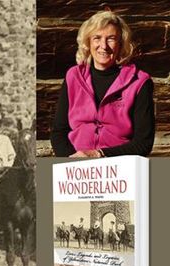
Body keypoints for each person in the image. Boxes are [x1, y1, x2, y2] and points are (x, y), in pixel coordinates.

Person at [50, 10, 155, 157]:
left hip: (119, 165)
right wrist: (72, 160)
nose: (103, 46)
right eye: (97, 38)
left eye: (111, 38)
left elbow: (143, 143)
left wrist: (99, 154)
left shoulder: (139, 82)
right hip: (75, 166)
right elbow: (58, 133)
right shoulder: (73, 76)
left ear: (121, 44)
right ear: (88, 42)